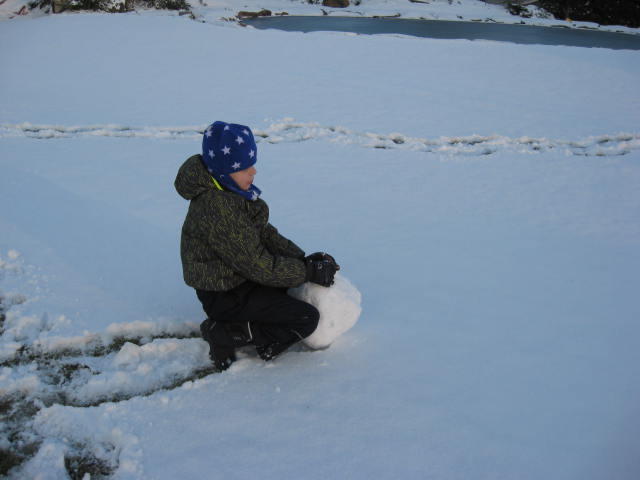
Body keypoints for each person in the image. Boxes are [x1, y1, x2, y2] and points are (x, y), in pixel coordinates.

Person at [174, 121, 339, 370]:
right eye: (244, 167)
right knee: (305, 318)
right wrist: (306, 272)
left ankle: (244, 327)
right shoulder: (219, 209)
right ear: (223, 170)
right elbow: (259, 265)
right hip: (224, 295)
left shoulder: (229, 194)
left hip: (236, 281)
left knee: (288, 288)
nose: (253, 172)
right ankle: (225, 333)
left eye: (252, 164)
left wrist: (302, 259)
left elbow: (264, 234)